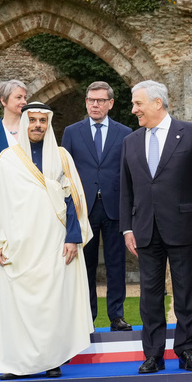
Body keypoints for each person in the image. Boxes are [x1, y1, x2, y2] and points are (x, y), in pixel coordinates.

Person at [0, 102, 93, 380]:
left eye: (42, 121)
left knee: (51, 303)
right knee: (16, 305)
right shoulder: (7, 159)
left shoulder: (61, 156)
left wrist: (72, 237)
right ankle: (15, 362)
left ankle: (52, 359)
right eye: (32, 120)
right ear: (24, 123)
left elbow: (74, 200)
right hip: (17, 246)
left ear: (48, 124)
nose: (37, 126)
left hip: (54, 242)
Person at [120, 80, 192, 374]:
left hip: (185, 227)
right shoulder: (130, 141)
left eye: (138, 103)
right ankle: (153, 355)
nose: (134, 109)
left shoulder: (191, 133)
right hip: (145, 230)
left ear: (157, 103)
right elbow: (125, 188)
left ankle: (186, 351)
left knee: (185, 292)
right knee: (149, 295)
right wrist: (127, 228)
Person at [61, 81, 134, 332]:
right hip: (84, 209)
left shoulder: (125, 133)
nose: (95, 104)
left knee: (116, 264)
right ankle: (86, 317)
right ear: (86, 102)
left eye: (101, 100)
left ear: (110, 103)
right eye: (91, 100)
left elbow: (129, 172)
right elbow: (66, 173)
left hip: (115, 207)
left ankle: (117, 315)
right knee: (86, 266)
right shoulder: (72, 132)